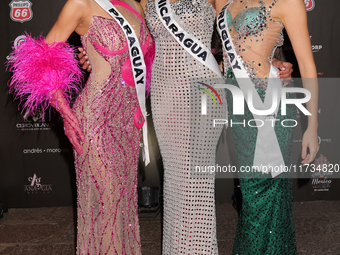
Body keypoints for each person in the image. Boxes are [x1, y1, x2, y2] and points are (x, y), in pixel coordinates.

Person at [79, 1, 293, 254]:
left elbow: (242, 38)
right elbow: (134, 41)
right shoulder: (145, 1)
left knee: (196, 180)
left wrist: (273, 62)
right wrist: (97, 54)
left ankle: (198, 248)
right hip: (164, 92)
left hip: (203, 89)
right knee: (175, 179)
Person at [7, 0, 154, 254]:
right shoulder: (80, 4)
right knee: (108, 205)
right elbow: (38, 60)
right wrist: (64, 110)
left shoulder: (135, 4)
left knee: (124, 207)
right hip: (95, 120)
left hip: (128, 122)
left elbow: (144, 59)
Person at [215, 0, 319, 254]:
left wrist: (312, 127)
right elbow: (241, 49)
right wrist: (272, 60)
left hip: (269, 105)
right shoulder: (222, 1)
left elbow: (307, 66)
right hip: (237, 105)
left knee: (263, 192)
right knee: (253, 196)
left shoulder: (287, 2)